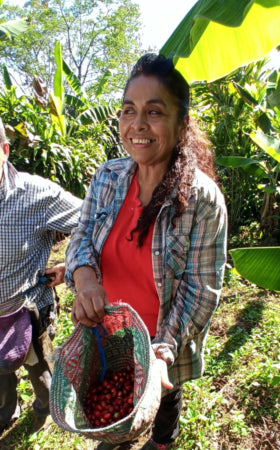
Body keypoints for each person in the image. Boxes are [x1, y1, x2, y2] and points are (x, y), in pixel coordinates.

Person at [65, 53, 227, 450]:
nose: (137, 124)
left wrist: (163, 349)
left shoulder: (203, 201)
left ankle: (163, 441)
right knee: (114, 417)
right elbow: (81, 236)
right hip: (110, 337)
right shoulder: (107, 177)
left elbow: (200, 291)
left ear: (181, 124)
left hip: (161, 342)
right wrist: (84, 277)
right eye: (128, 110)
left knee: (165, 404)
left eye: (154, 112)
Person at [0, 117, 82, 433]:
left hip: (27, 309)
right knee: (1, 372)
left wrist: (72, 267)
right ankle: (6, 411)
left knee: (39, 367)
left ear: (5, 150)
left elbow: (91, 222)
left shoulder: (36, 195)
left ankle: (45, 406)